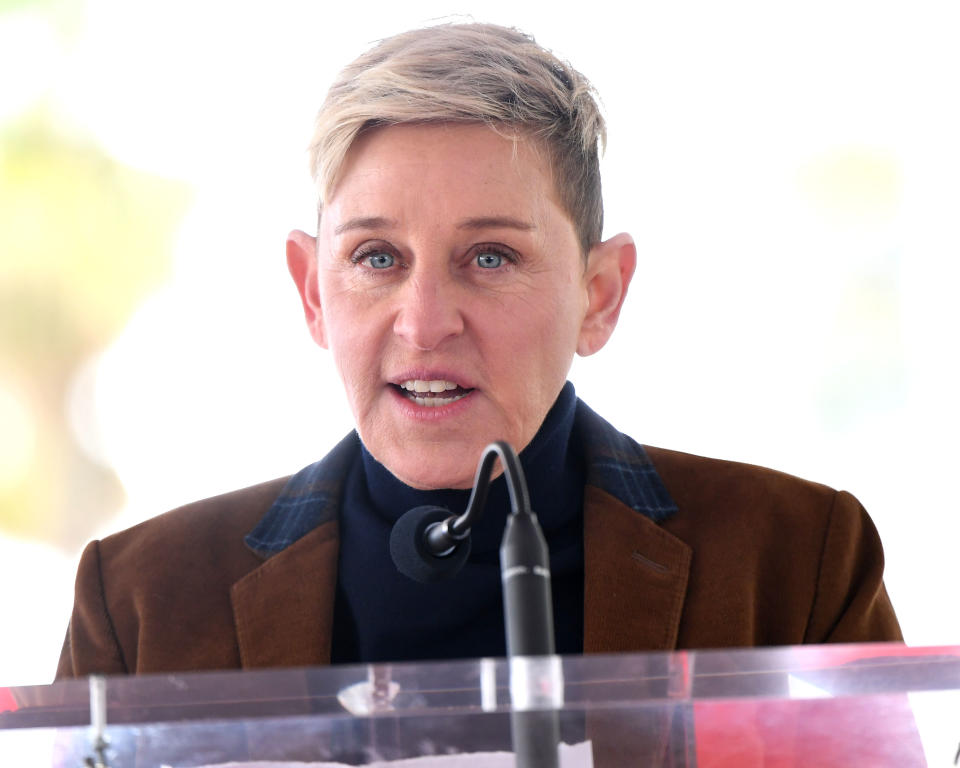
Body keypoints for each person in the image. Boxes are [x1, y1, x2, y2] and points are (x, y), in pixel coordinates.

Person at [56, 22, 901, 680]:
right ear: (313, 292)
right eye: (376, 258)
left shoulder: (799, 566)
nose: (424, 324)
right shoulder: (138, 604)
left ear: (599, 295)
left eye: (490, 258)